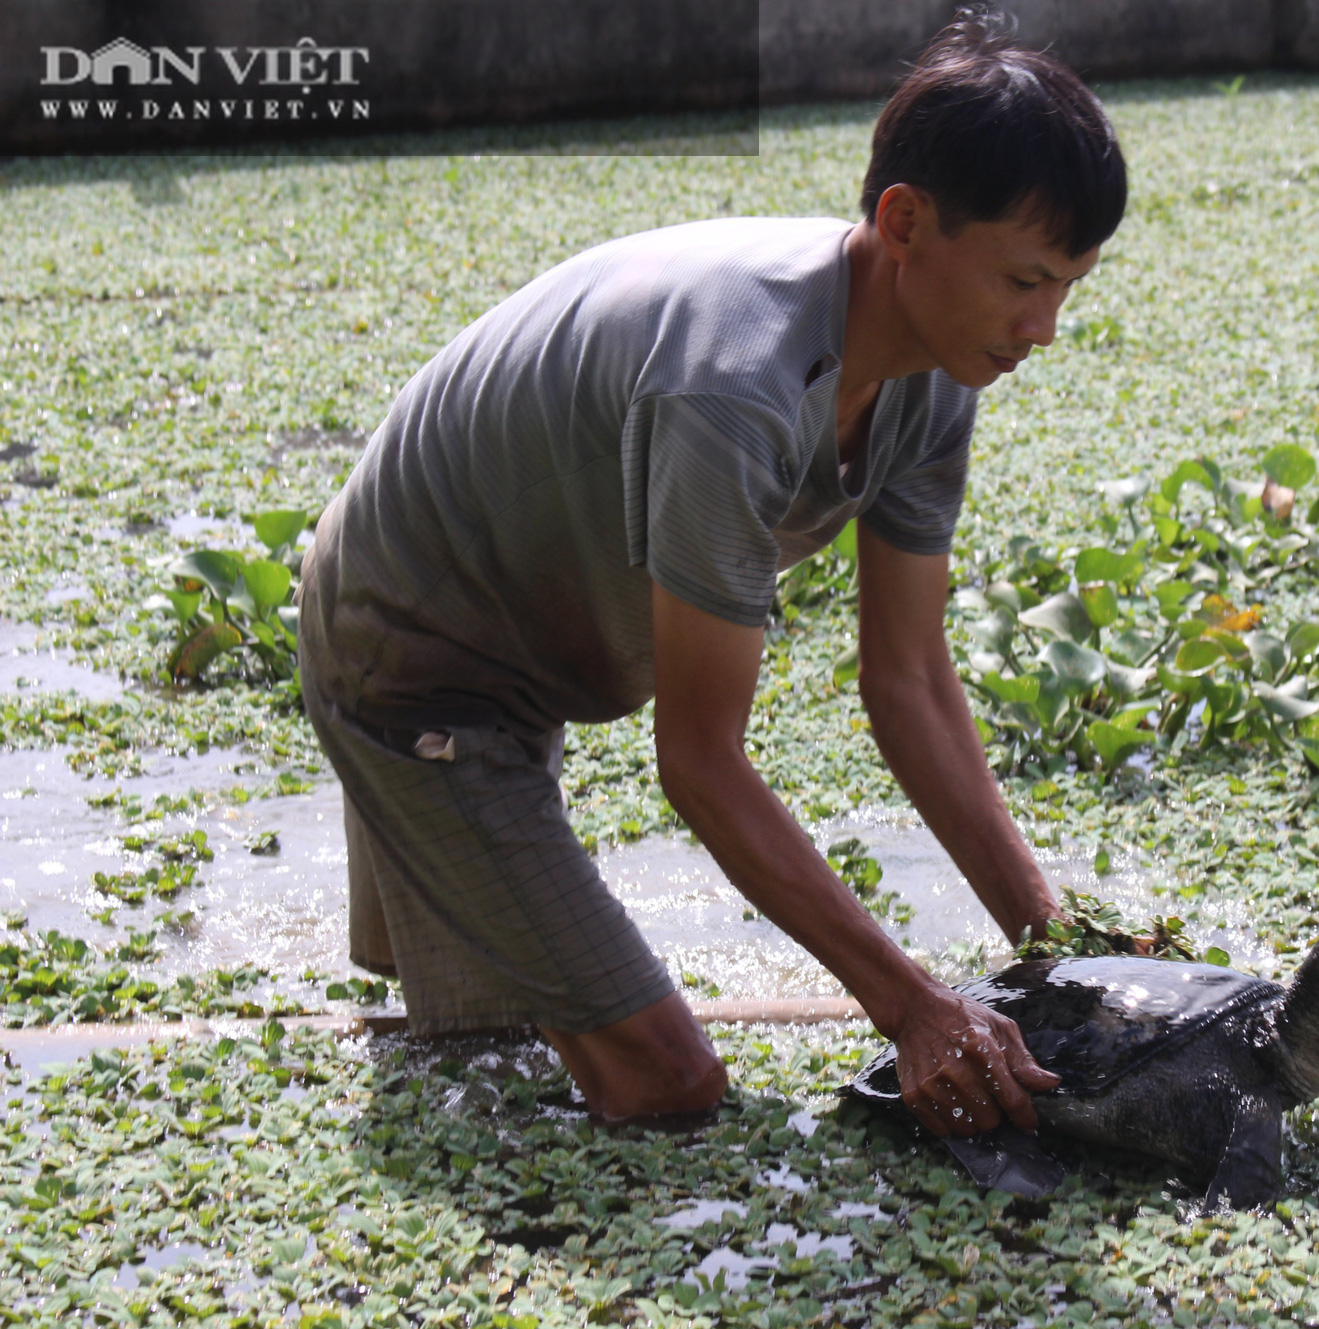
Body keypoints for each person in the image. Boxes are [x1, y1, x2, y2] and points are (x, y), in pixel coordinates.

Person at [296, 12, 1126, 1141]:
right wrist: (911, 1007)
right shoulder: (734, 386)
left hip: (522, 648)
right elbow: (695, 761)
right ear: (903, 221)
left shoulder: (938, 369)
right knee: (666, 1087)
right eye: (1024, 279)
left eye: (1068, 286)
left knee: (481, 1035)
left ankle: (466, 920)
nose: (1044, 327)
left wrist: (1049, 945)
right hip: (409, 657)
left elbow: (909, 683)